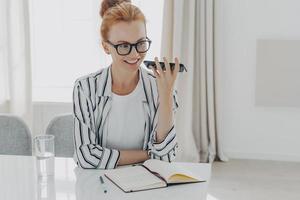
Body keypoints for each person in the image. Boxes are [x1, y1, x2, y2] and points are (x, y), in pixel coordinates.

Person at [73, 0, 180, 169]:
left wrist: (166, 95)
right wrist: (148, 155)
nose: (135, 54)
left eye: (140, 43)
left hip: (147, 184)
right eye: (123, 46)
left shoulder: (159, 87)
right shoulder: (85, 88)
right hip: (101, 185)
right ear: (106, 47)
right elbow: (86, 156)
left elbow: (166, 157)